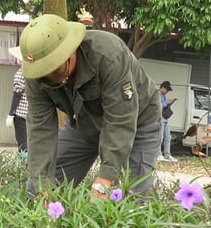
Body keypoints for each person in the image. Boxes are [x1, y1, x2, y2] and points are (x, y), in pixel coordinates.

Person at [18, 14, 161, 198]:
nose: (50, 78)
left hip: (137, 122)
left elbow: (120, 120)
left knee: (129, 199)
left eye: (55, 68)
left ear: (70, 51)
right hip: (84, 124)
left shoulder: (108, 55)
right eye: (43, 71)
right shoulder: (37, 74)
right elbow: (40, 129)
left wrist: (106, 177)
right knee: (38, 190)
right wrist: (43, 185)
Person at [6, 46, 29, 161]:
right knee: (30, 140)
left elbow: (17, 95)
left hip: (21, 114)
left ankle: (23, 165)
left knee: (22, 142)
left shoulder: (20, 73)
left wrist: (11, 114)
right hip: (32, 113)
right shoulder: (33, 73)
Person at [157, 81, 178, 162]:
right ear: (162, 87)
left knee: (168, 137)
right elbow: (160, 105)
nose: (167, 92)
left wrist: (170, 103)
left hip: (165, 119)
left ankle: (167, 155)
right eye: (167, 89)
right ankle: (158, 154)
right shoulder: (157, 95)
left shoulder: (164, 96)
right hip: (160, 119)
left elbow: (165, 106)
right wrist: (168, 102)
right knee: (160, 137)